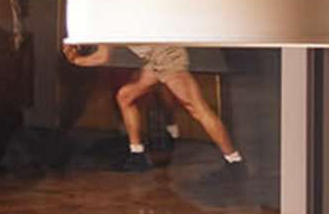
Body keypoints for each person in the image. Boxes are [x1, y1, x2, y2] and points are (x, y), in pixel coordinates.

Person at [64, 40, 243, 167]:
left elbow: (101, 58)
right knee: (125, 96)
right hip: (153, 59)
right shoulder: (102, 21)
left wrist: (76, 60)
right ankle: (137, 155)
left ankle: (234, 161)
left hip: (166, 56)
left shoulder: (108, 17)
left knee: (197, 108)